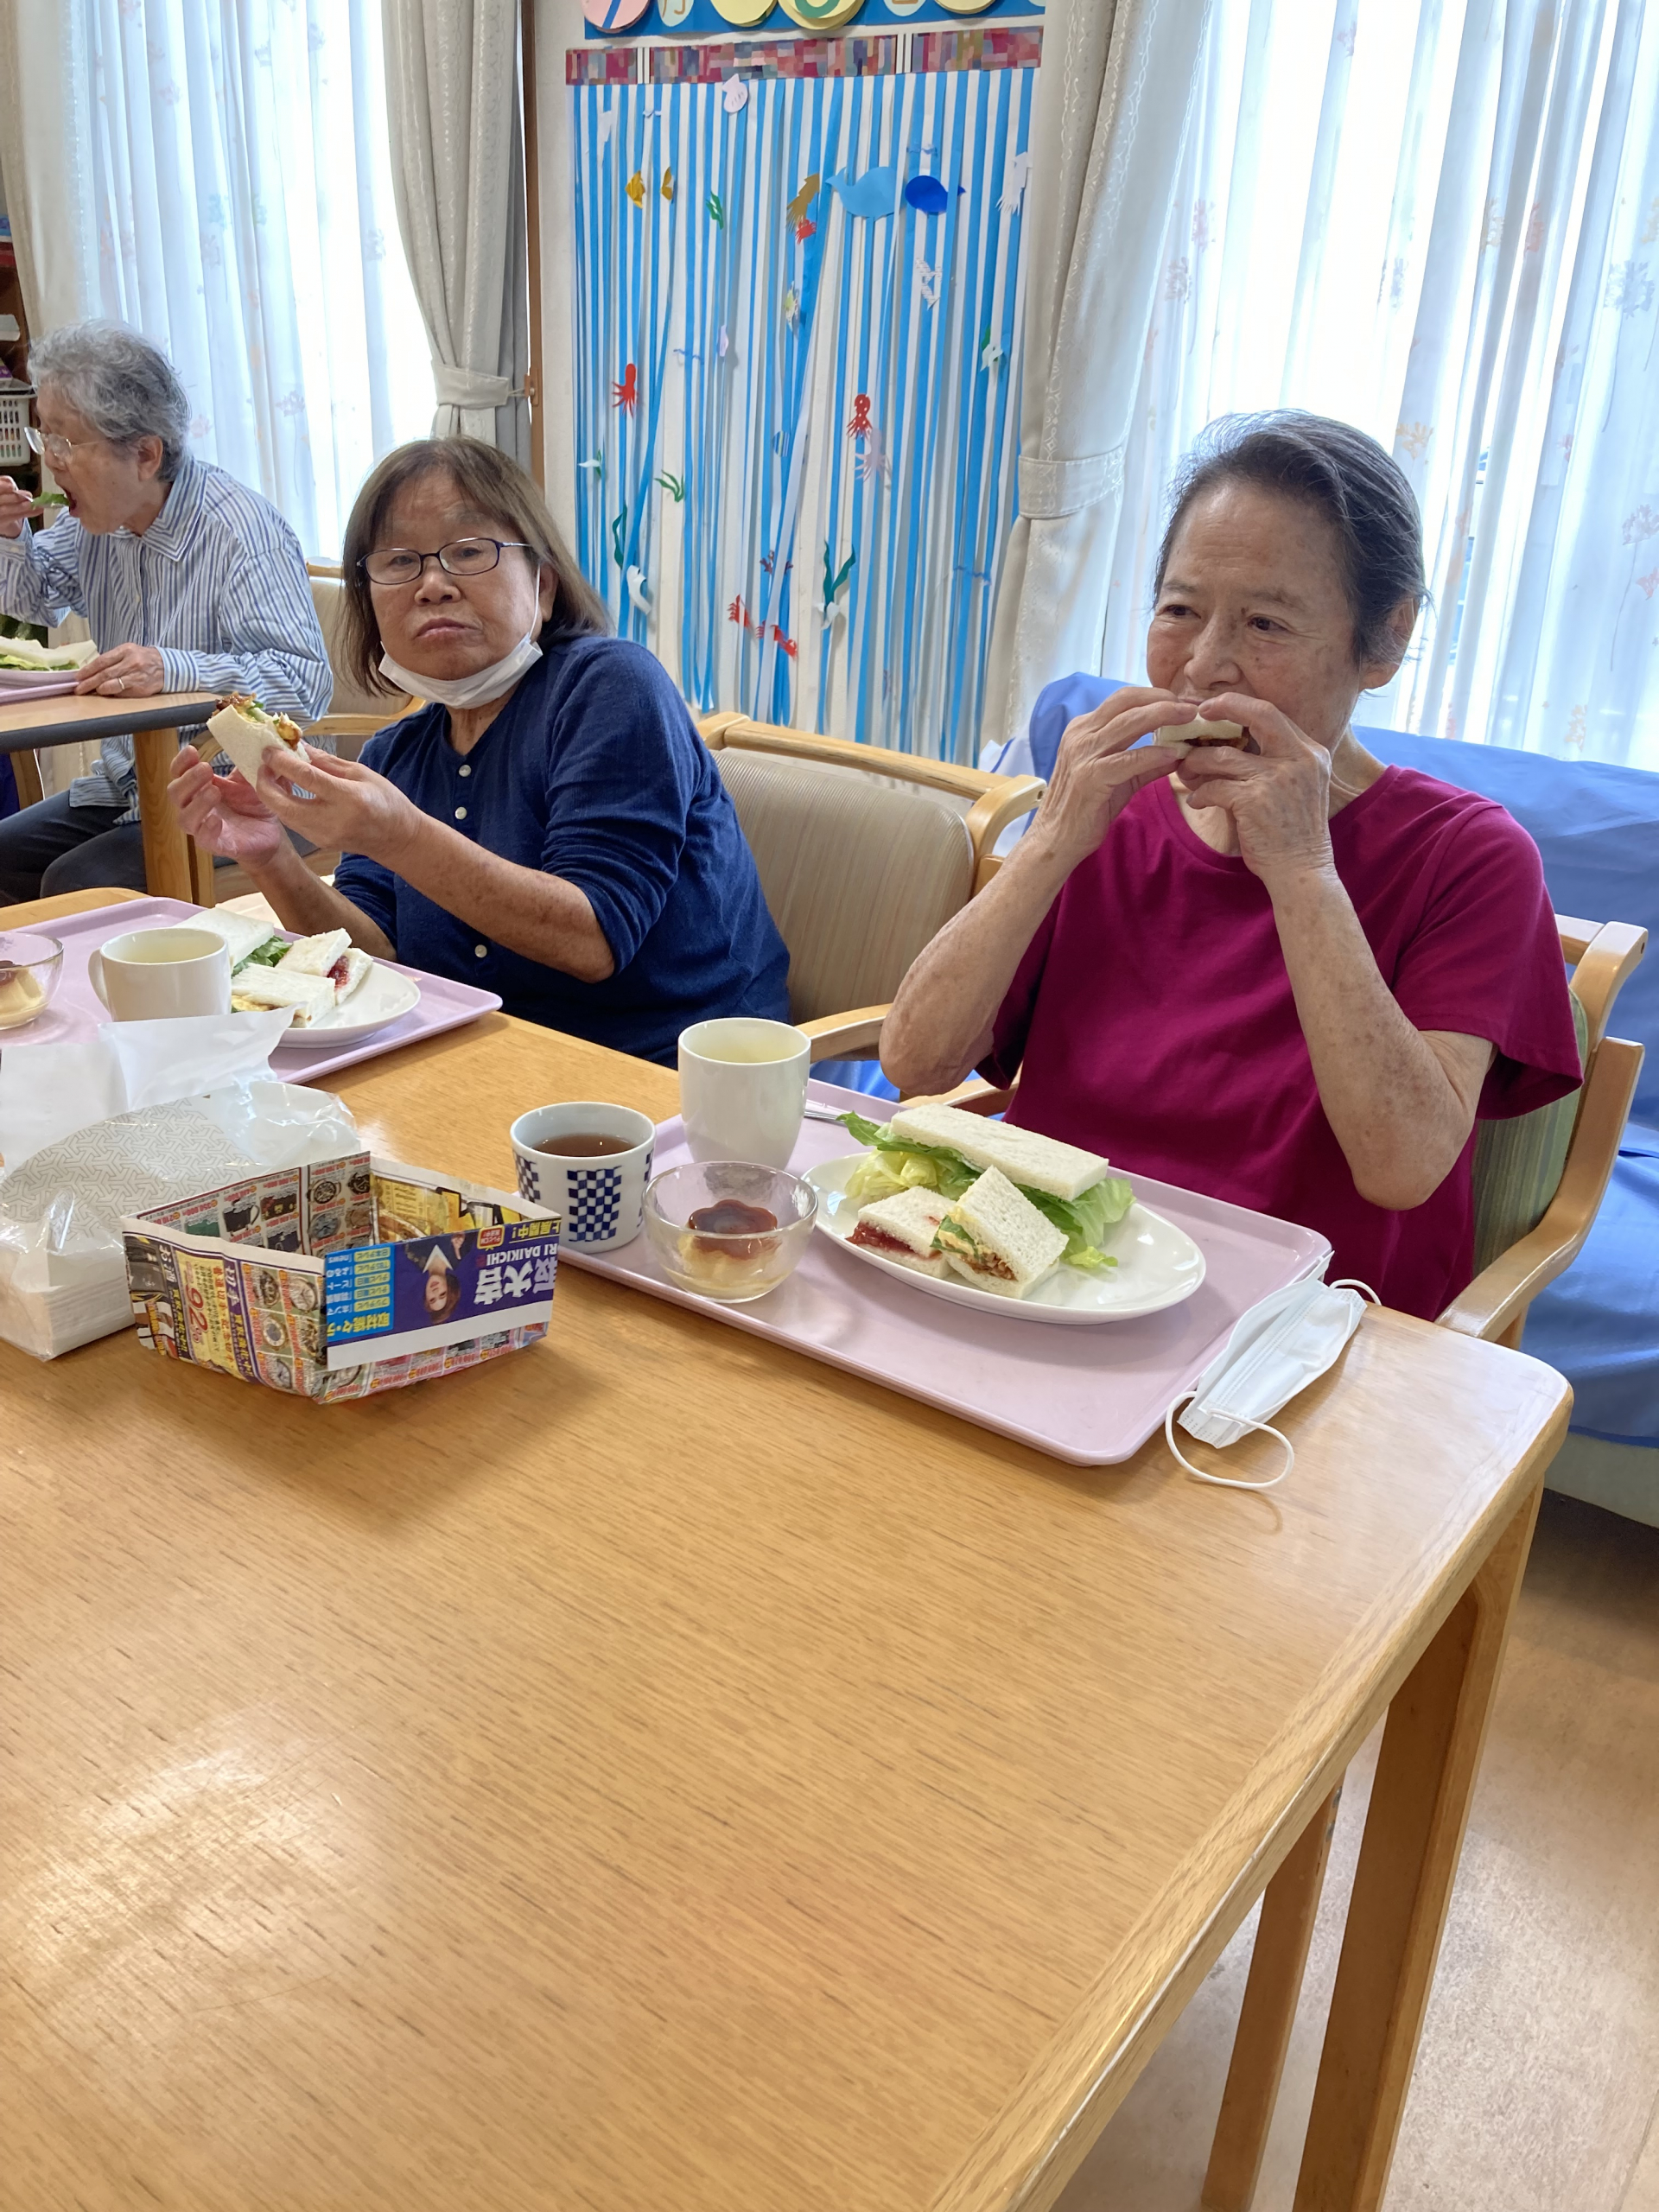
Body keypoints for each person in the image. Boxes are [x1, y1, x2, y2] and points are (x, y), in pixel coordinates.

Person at [881, 412, 1582, 1319]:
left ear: (1385, 640)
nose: (1206, 666)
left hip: (1300, 1330)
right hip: (1049, 1292)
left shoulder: (1471, 856)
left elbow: (1403, 1167)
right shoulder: (1104, 809)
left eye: (1266, 623)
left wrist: (1302, 867)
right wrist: (1052, 838)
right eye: (1179, 610)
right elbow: (917, 1060)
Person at [169, 435, 789, 1065]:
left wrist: (400, 835)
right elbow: (372, 958)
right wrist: (271, 856)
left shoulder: (610, 688)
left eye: (468, 552)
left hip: (675, 1069)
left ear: (543, 588)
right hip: (481, 1061)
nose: (432, 585)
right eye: (399, 563)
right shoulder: (394, 754)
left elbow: (594, 940)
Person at [0, 320, 330, 899]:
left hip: (243, 791)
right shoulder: (100, 523)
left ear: (146, 455)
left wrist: (171, 667)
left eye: (66, 444)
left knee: (73, 885)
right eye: (43, 437)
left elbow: (304, 684)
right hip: (129, 785)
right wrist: (8, 535)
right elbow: (38, 598)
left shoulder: (239, 533)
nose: (51, 462)